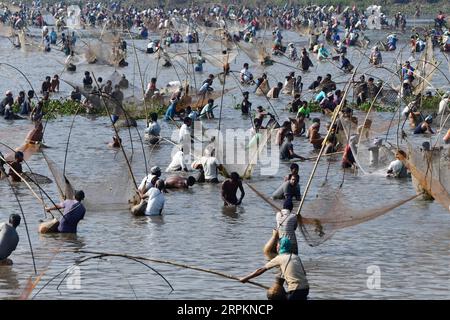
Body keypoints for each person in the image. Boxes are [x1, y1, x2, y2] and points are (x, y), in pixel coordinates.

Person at [240, 237, 309, 300]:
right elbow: (303, 273)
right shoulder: (296, 257)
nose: (276, 247)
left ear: (281, 246)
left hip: (295, 290)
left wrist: (245, 278)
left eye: (277, 245)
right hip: (305, 289)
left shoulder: (279, 258)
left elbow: (260, 270)